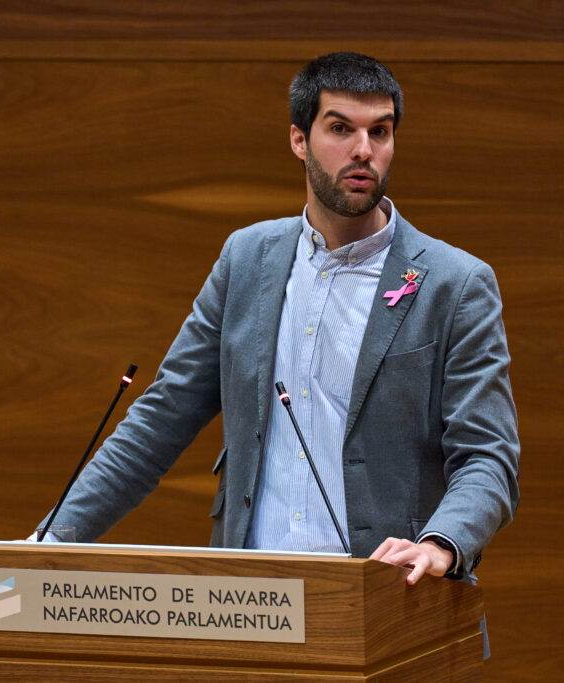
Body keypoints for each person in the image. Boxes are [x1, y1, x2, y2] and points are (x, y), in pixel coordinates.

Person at [33, 52, 519, 589]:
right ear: (298, 140)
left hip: (390, 601)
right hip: (252, 599)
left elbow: (488, 456)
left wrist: (441, 542)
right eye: (340, 128)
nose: (363, 150)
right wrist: (53, 540)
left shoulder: (455, 284)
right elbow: (162, 418)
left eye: (379, 131)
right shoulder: (247, 260)